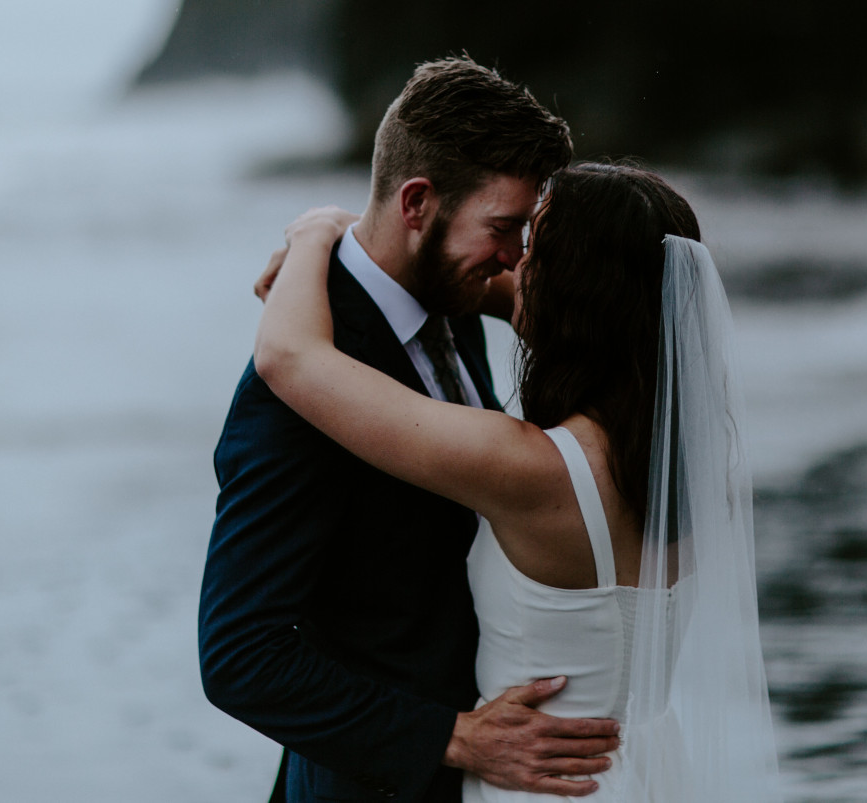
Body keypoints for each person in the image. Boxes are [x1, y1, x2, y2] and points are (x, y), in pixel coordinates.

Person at [255, 162, 782, 801]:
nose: (514, 265)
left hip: (540, 784)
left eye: (533, 251)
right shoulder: (692, 458)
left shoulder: (530, 469)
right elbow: (552, 305)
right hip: (644, 773)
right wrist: (372, 235)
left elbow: (290, 358)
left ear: (573, 290)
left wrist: (316, 233)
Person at [198, 57, 619, 803]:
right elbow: (238, 653)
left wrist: (318, 228)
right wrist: (452, 737)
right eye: (504, 228)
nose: (516, 259)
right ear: (418, 201)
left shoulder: (456, 296)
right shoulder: (303, 381)